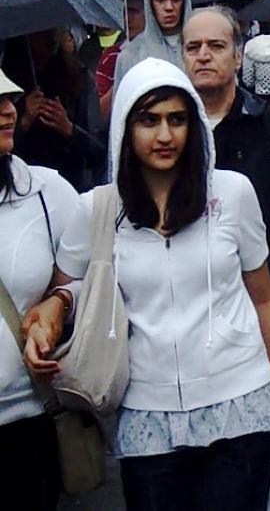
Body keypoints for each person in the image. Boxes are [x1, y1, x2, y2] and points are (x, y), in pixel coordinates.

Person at [25, 58, 270, 511]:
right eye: (148, 120)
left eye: (177, 120)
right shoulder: (96, 209)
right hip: (146, 411)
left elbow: (264, 298)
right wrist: (54, 309)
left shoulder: (232, 193)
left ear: (194, 125)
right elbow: (72, 288)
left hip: (240, 403)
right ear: (123, 129)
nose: (164, 135)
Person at [182, 6, 270, 341]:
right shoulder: (167, 131)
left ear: (238, 56)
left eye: (215, 46)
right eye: (193, 47)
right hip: (187, 305)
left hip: (265, 301)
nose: (203, 56)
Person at [0, 66, 78, 511]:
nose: (8, 111)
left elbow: (97, 279)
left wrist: (59, 301)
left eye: (8, 100)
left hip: (26, 425)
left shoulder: (46, 192)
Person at [9, 26, 106, 191]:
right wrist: (23, 122)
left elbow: (98, 152)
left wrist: (68, 129)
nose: (51, 37)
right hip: (23, 189)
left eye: (56, 29)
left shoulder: (79, 79)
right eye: (42, 31)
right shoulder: (9, 84)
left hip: (70, 188)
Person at [113, 0, 192, 92]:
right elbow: (121, 106)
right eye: (161, 0)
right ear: (149, 2)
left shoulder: (200, 47)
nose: (169, 7)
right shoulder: (132, 54)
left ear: (184, 1)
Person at [95, 0, 146, 122]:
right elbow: (99, 114)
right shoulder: (111, 56)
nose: (127, 18)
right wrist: (121, 78)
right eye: (124, 12)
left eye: (134, 11)